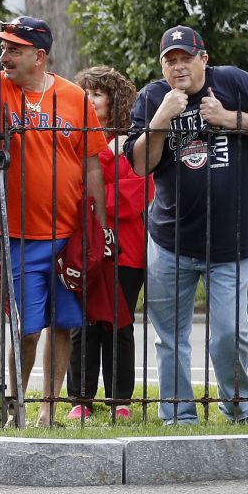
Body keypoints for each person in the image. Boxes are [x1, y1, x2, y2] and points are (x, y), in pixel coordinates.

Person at [0, 1, 108, 425]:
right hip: (17, 234)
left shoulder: (74, 98)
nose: (5, 55)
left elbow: (92, 163)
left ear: (39, 56)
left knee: (64, 324)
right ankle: (16, 404)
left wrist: (100, 226)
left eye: (15, 49)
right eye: (4, 46)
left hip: (69, 234)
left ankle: (48, 410)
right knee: (27, 327)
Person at [126, 25, 248, 424]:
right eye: (170, 60)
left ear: (204, 58)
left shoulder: (232, 82)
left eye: (186, 58)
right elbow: (141, 163)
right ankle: (178, 416)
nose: (179, 66)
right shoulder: (151, 98)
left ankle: (236, 410)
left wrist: (228, 118)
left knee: (231, 334)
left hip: (230, 241)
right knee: (170, 338)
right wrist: (161, 118)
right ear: (163, 65)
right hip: (170, 241)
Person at [68, 66, 152, 423]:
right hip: (82, 246)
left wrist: (93, 197)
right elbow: (67, 190)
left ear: (114, 101)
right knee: (82, 324)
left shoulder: (131, 143)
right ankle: (80, 400)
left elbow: (138, 193)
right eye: (84, 92)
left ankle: (120, 400)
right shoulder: (72, 139)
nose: (89, 99)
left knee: (118, 325)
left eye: (97, 93)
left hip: (125, 250)